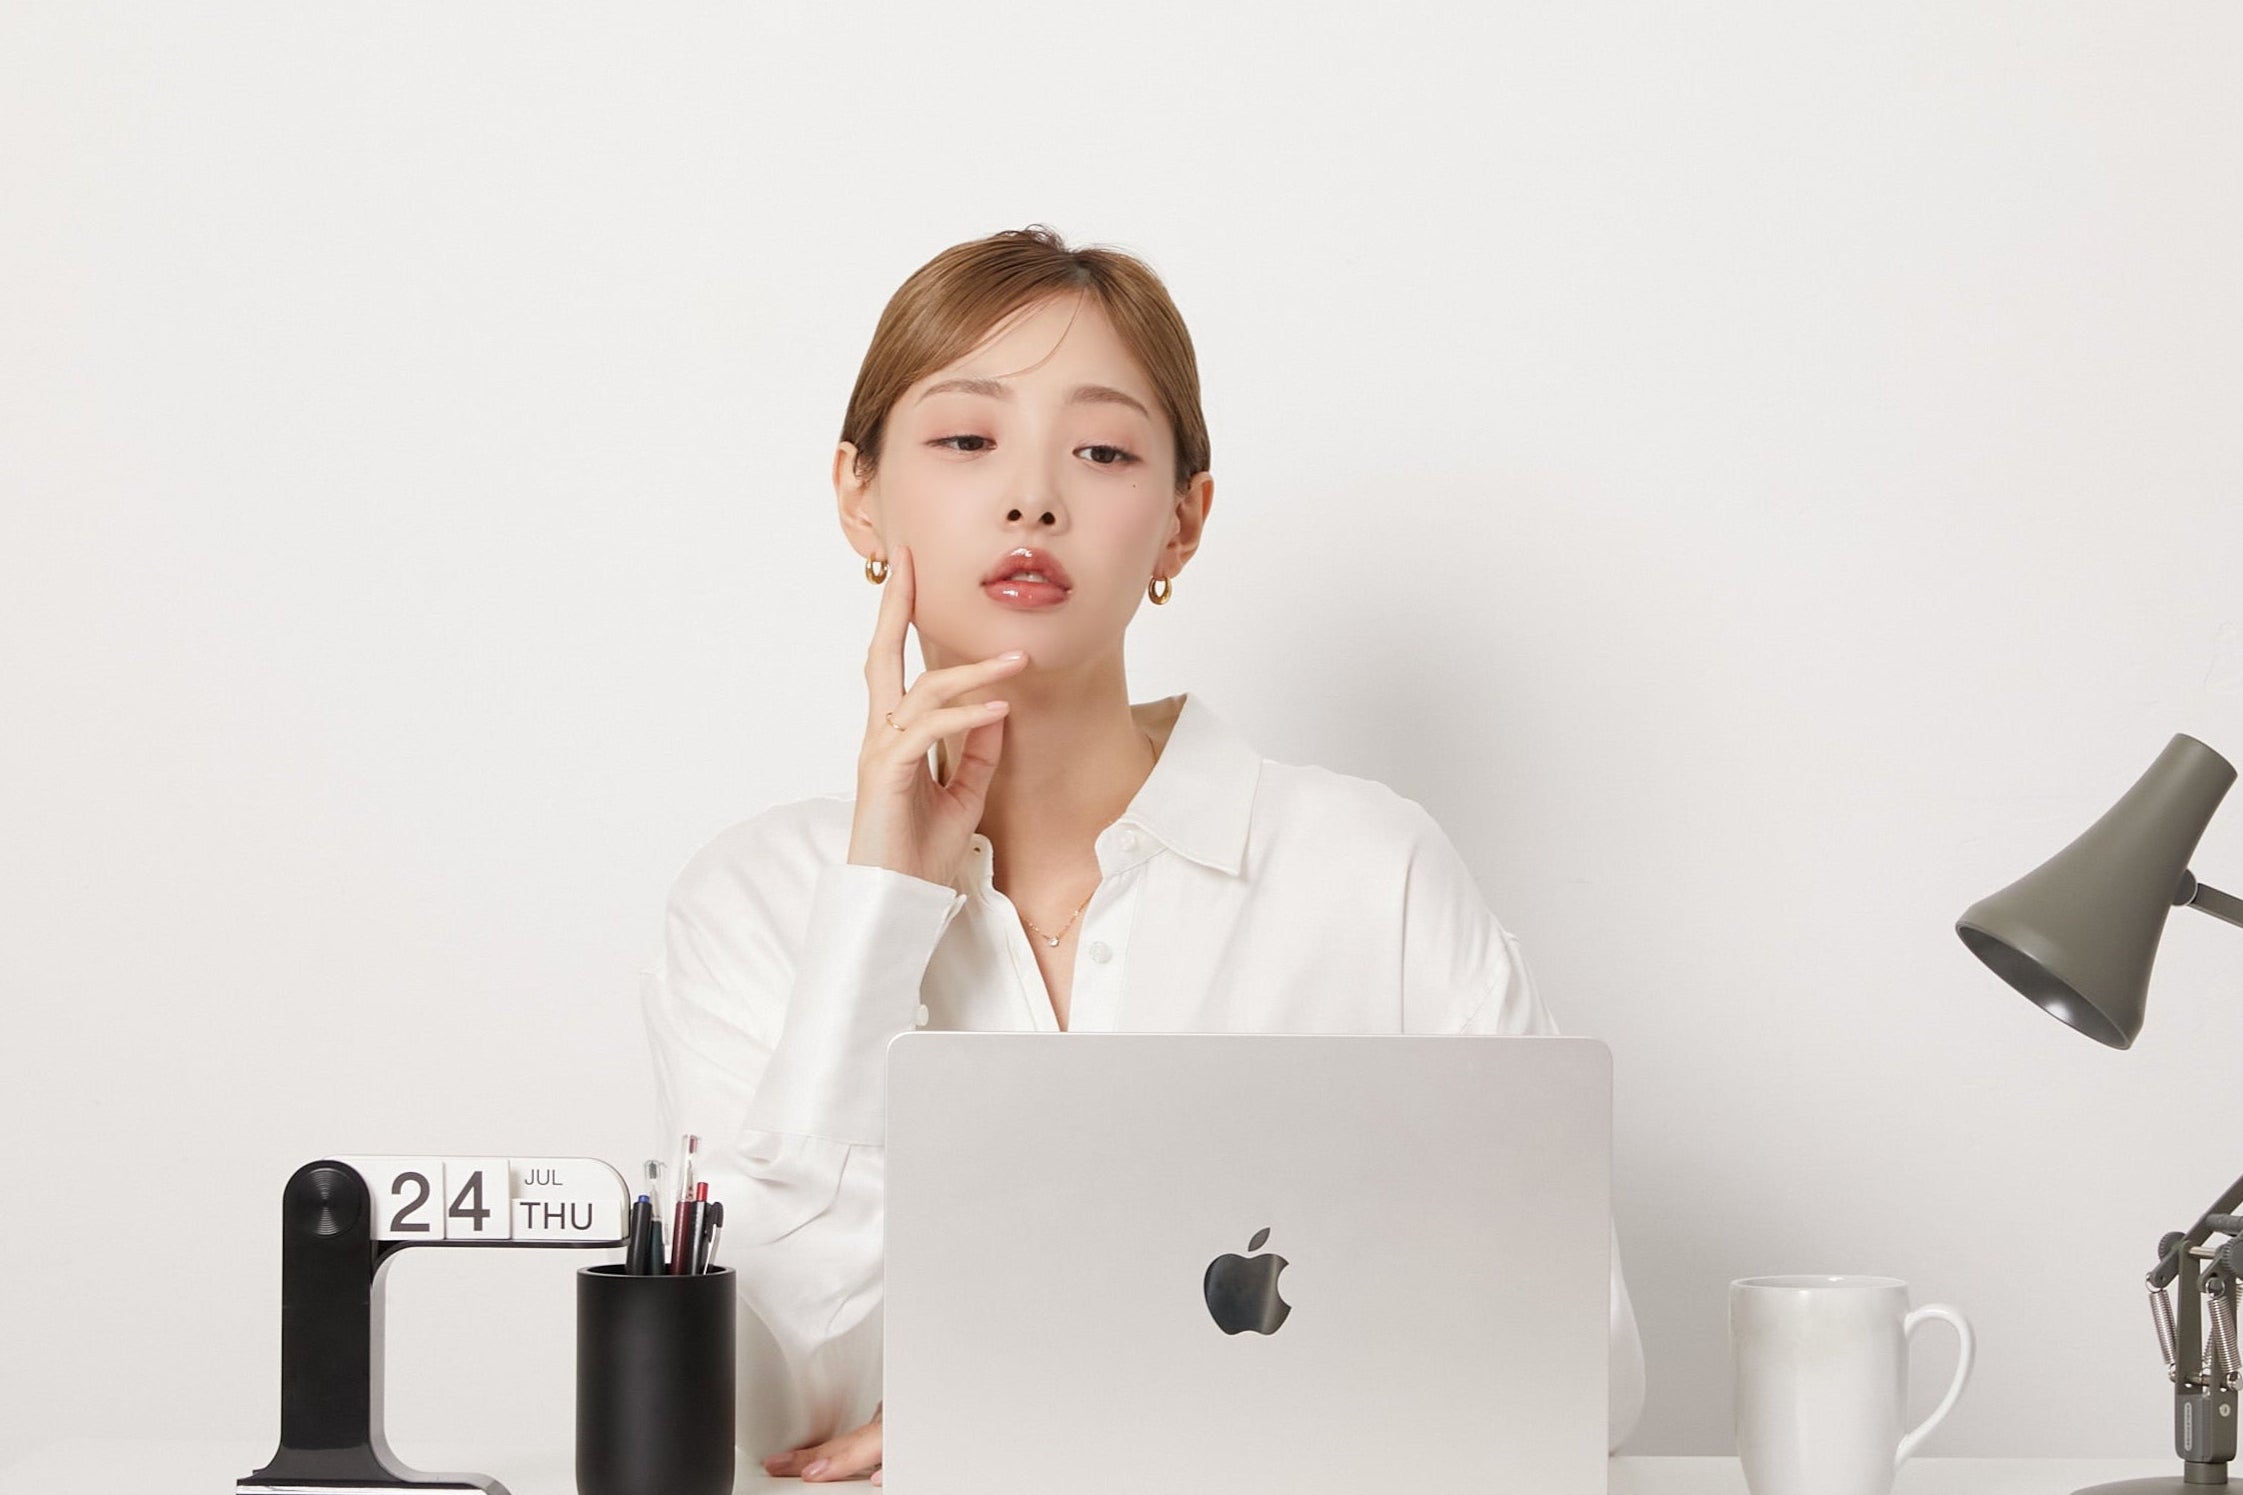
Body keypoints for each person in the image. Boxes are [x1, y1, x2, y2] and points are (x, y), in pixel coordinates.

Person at [638, 224, 1647, 1485]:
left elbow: (1583, 1373)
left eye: (1102, 451)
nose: (1032, 498)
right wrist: (879, 907)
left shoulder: (1368, 873)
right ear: (859, 494)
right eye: (965, 439)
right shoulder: (750, 903)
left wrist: (1043, 1419)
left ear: (1181, 521)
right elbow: (775, 1409)